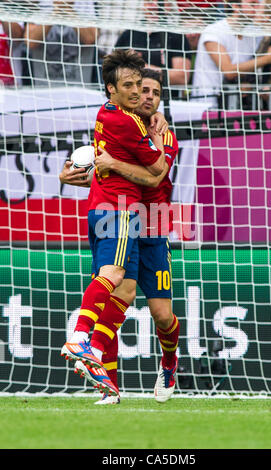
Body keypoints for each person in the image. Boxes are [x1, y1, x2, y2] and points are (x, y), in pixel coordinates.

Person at [65, 69, 179, 405]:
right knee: (119, 291)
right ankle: (106, 381)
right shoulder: (124, 124)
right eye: (142, 90)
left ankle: (170, 361)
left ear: (160, 100)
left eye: (154, 93)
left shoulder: (164, 136)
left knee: (161, 314)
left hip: (152, 223)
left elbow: (153, 178)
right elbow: (97, 166)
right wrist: (77, 172)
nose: (147, 96)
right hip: (120, 215)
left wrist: (111, 164)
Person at [191, 0, 271, 109]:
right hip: (207, 103)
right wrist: (267, 58)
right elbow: (229, 71)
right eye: (253, 4)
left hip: (236, 104)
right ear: (236, 7)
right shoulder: (214, 32)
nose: (258, 8)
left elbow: (250, 67)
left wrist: (247, 84)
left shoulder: (254, 34)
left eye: (258, 4)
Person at [114, 1, 192, 98]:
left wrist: (140, 69)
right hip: (130, 100)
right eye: (150, 2)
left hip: (165, 101)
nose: (154, 7)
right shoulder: (129, 34)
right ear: (144, 5)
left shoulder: (176, 35)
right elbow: (113, 70)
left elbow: (182, 77)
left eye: (159, 3)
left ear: (169, 6)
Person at [24, 0, 99, 87]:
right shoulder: (40, 4)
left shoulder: (86, 4)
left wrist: (68, 9)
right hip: (44, 89)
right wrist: (55, 12)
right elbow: (31, 42)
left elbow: (90, 38)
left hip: (79, 89)